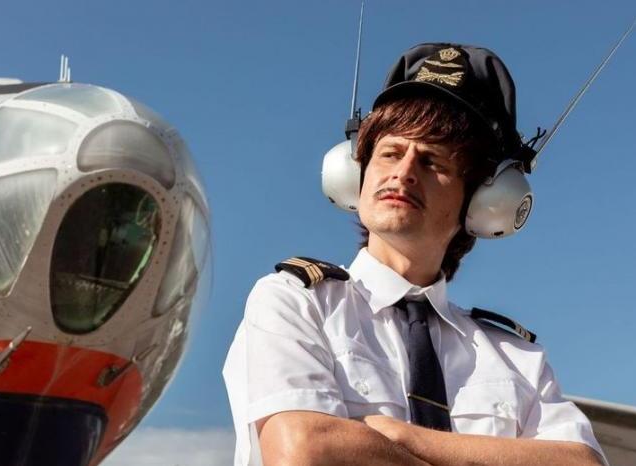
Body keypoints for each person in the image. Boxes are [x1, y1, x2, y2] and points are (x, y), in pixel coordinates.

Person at [222, 43, 607, 466]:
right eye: (390, 153)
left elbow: (583, 462)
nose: (403, 173)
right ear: (356, 173)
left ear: (483, 202)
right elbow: (304, 450)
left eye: (432, 162)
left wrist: (399, 436)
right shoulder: (295, 301)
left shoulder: (517, 358)